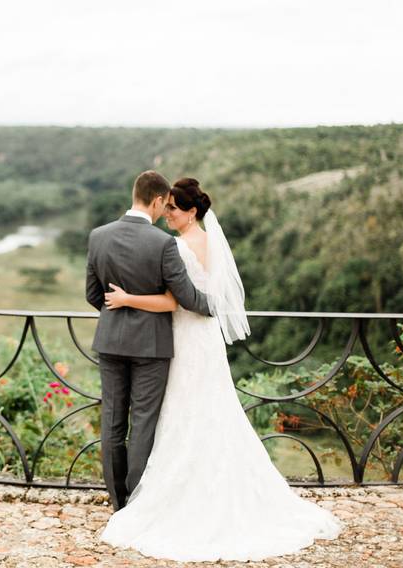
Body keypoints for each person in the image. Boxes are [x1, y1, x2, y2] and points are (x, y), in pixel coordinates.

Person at [98, 177, 344, 562]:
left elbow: (179, 302)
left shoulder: (173, 245)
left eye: (174, 210)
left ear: (191, 212)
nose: (167, 214)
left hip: (178, 337)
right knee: (201, 413)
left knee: (175, 414)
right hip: (199, 341)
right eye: (166, 207)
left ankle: (155, 498)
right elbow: (205, 299)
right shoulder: (207, 242)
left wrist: (127, 297)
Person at [85, 170, 213, 513]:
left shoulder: (98, 236)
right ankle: (136, 504)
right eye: (164, 205)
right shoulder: (163, 243)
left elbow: (92, 295)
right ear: (157, 200)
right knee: (142, 423)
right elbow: (187, 297)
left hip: (110, 342)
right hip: (151, 347)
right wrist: (216, 305)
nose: (164, 212)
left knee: (112, 420)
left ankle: (117, 502)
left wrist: (119, 316)